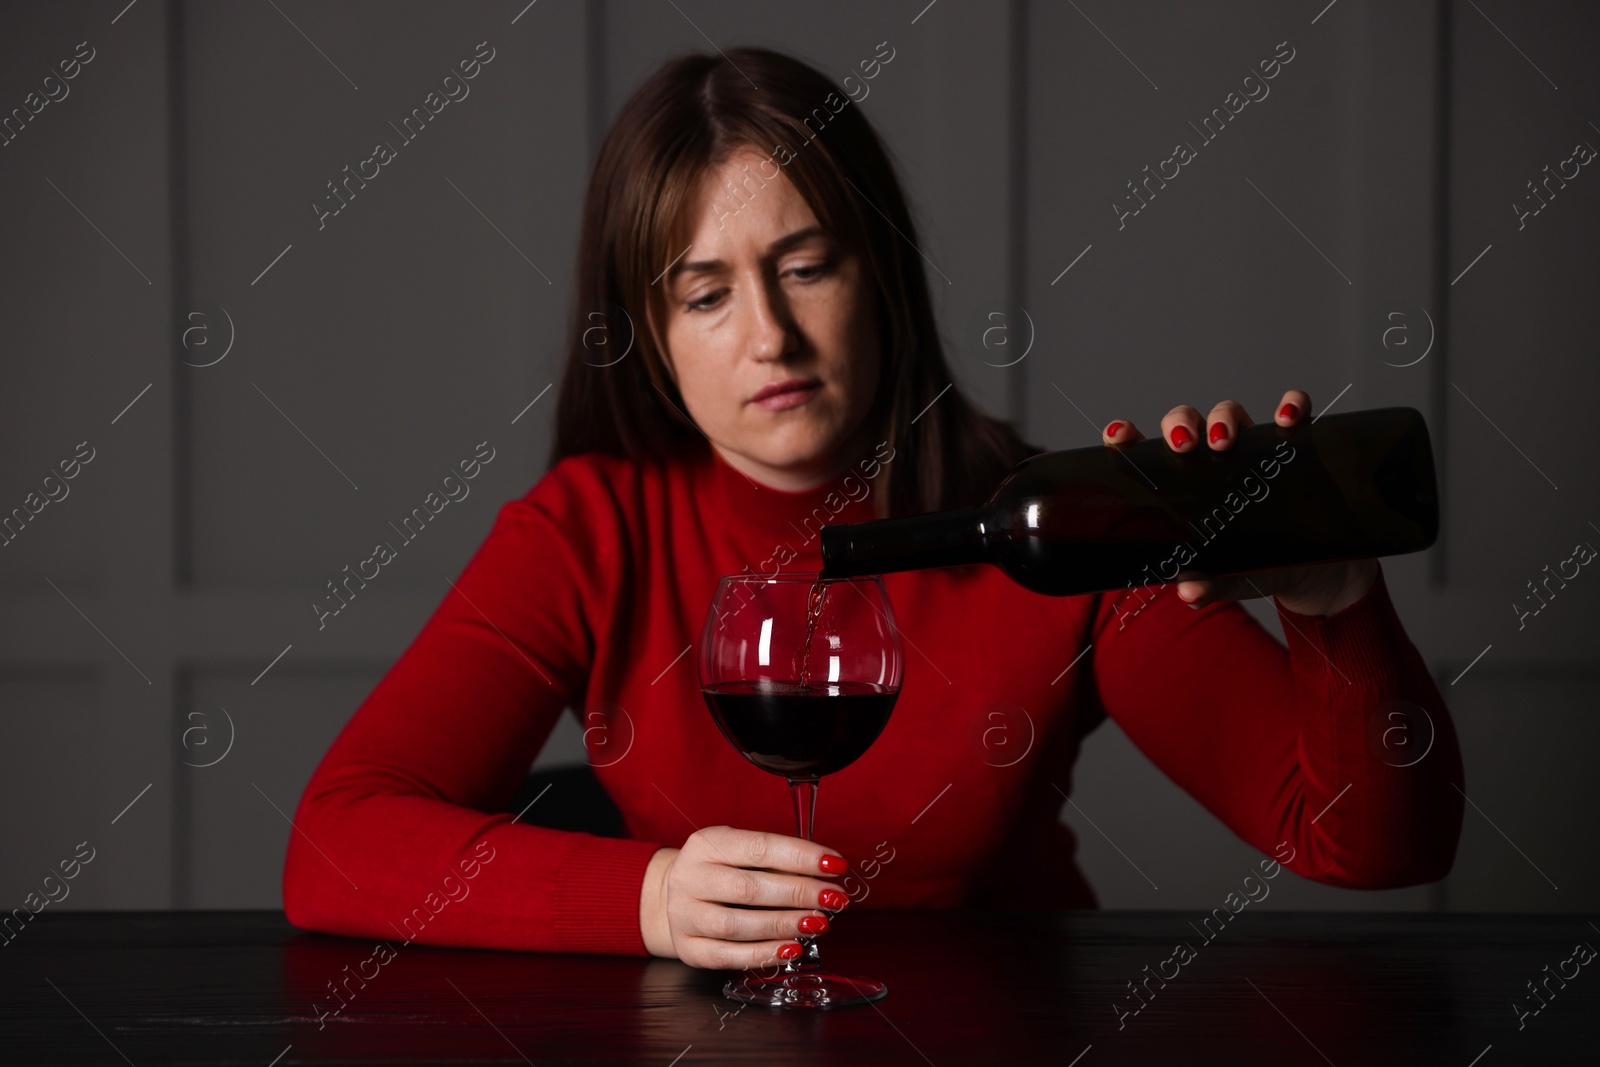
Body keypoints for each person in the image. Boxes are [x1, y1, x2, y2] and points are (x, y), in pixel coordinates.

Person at [283, 46, 1463, 971]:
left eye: (805, 266)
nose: (770, 336)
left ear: (879, 273)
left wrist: (1336, 598)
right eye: (705, 294)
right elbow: (334, 842)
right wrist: (643, 895)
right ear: (645, 339)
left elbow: (1373, 846)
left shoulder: (1061, 524)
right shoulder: (590, 531)